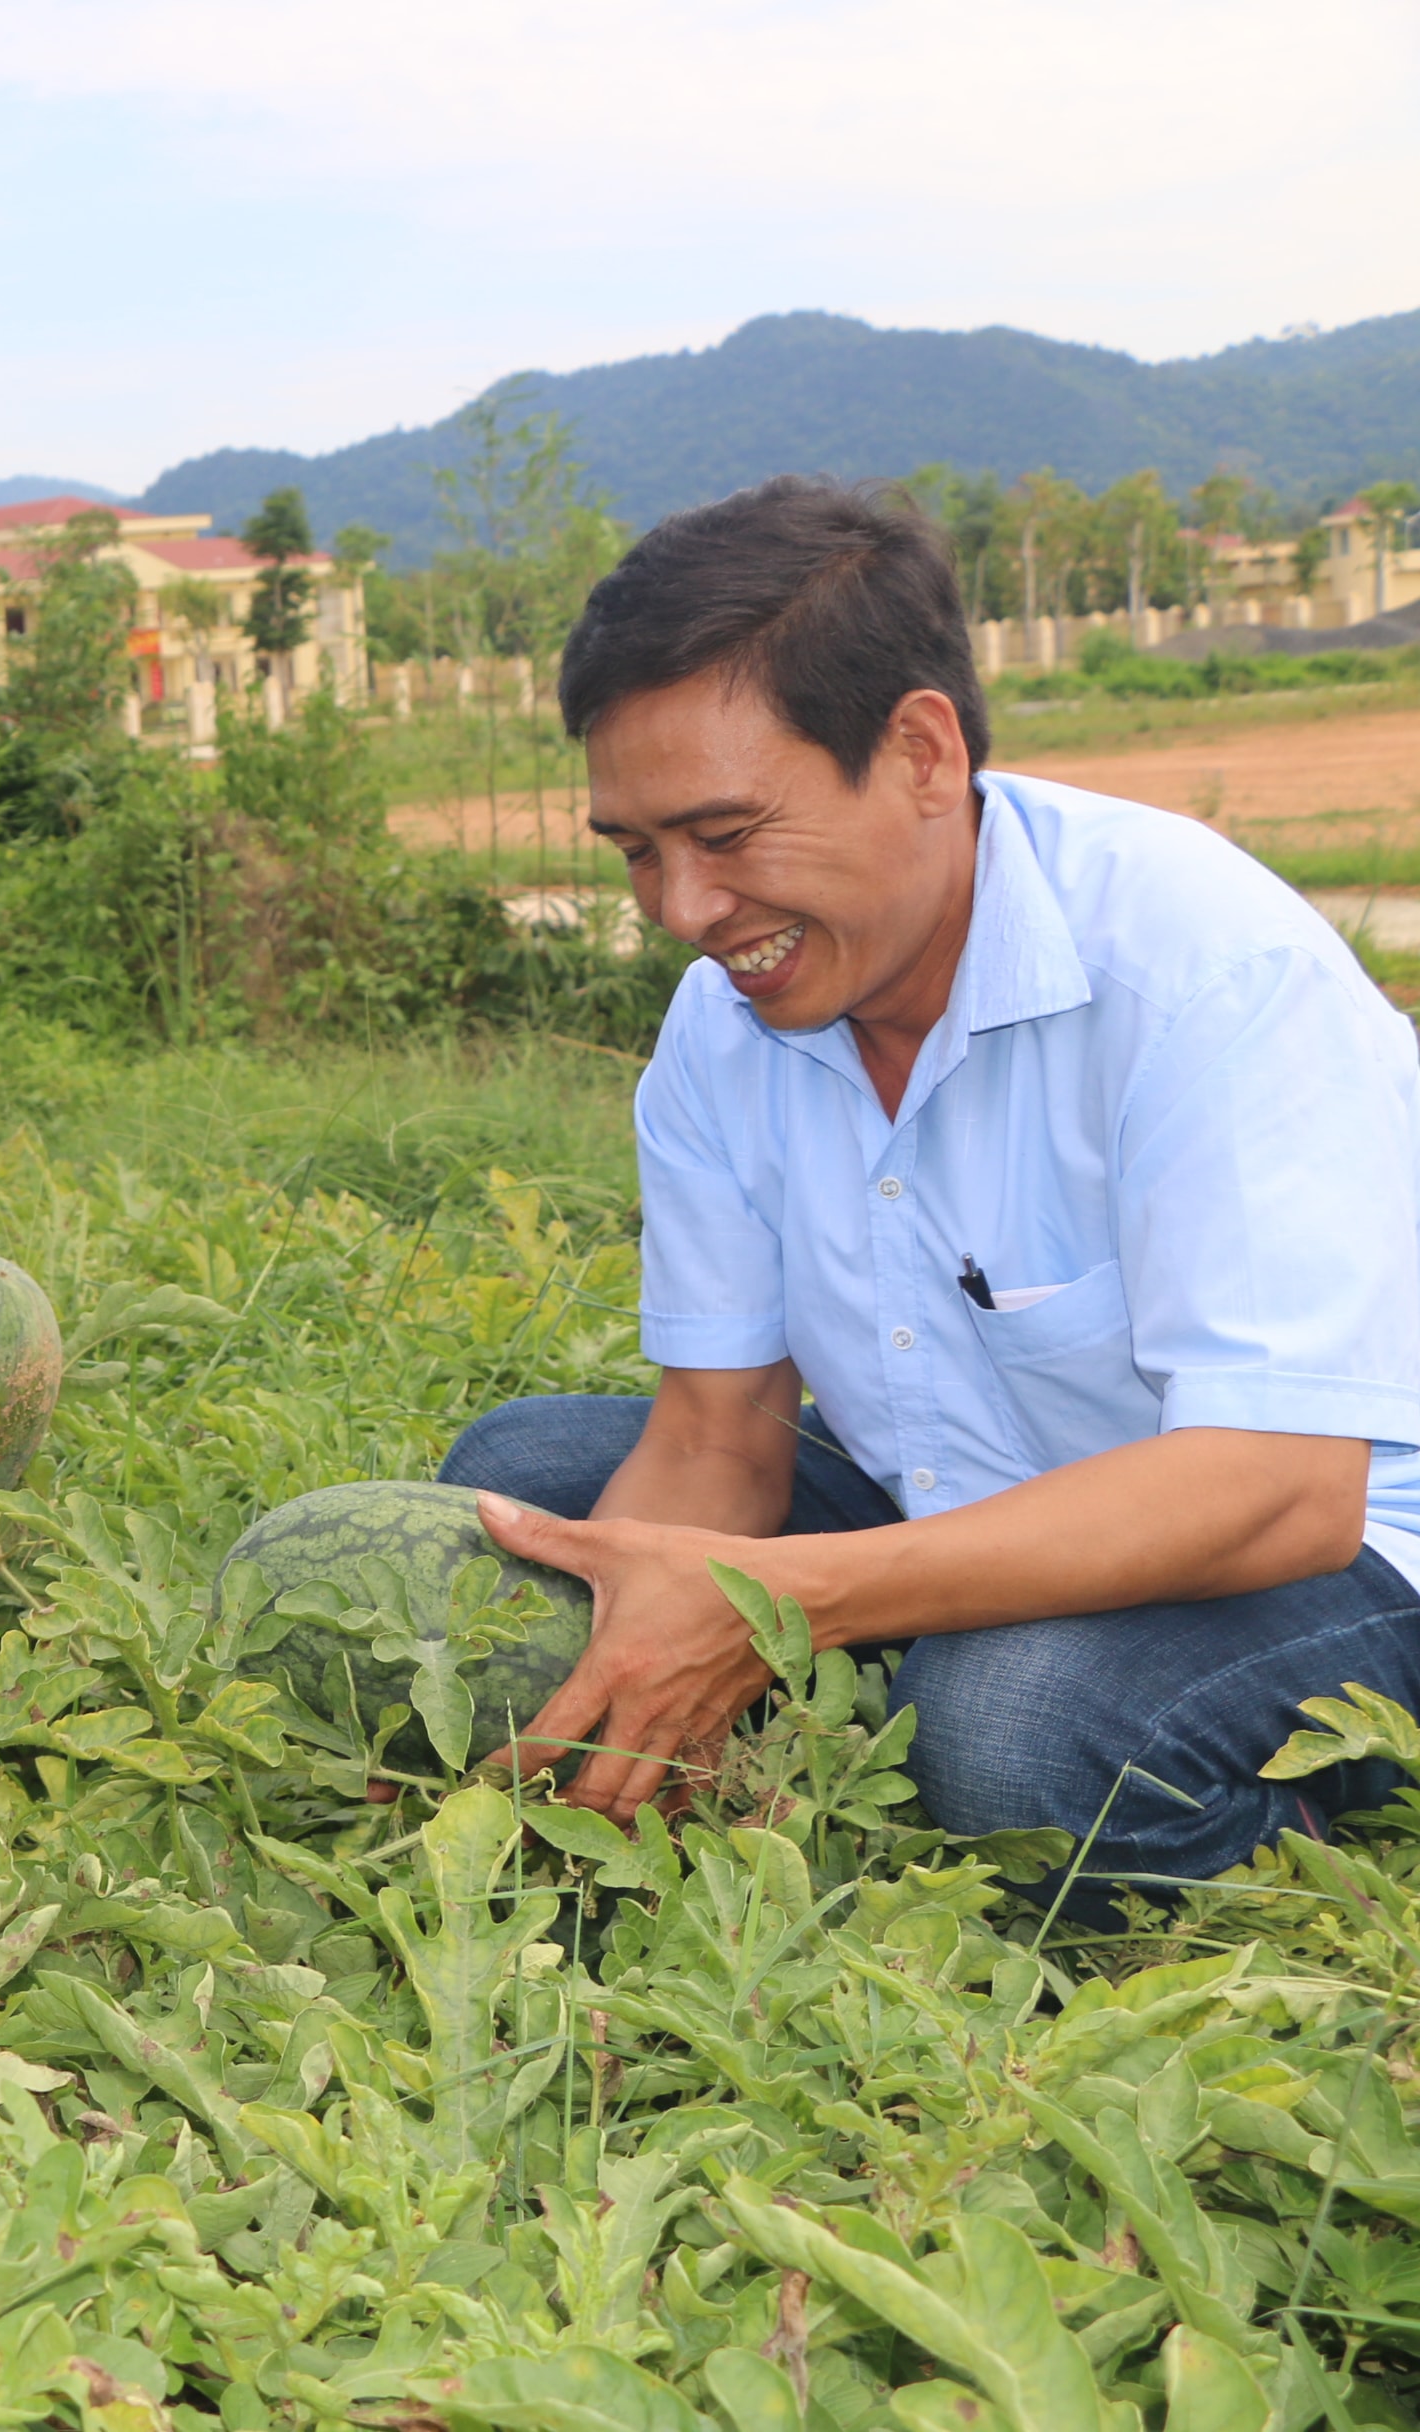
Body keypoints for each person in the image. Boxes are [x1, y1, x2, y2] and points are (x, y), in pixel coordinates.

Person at [441, 475, 1420, 1913]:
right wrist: (626, 1650)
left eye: (725, 835)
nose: (684, 913)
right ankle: (823, 1719)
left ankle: (1270, 1820)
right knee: (523, 1495)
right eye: (639, 853)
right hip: (952, 1511)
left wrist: (784, 1602)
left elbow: (1278, 1490)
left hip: (1335, 1551)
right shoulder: (725, 1028)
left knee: (1012, 1727)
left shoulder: (1205, 971)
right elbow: (720, 1441)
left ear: (916, 751)